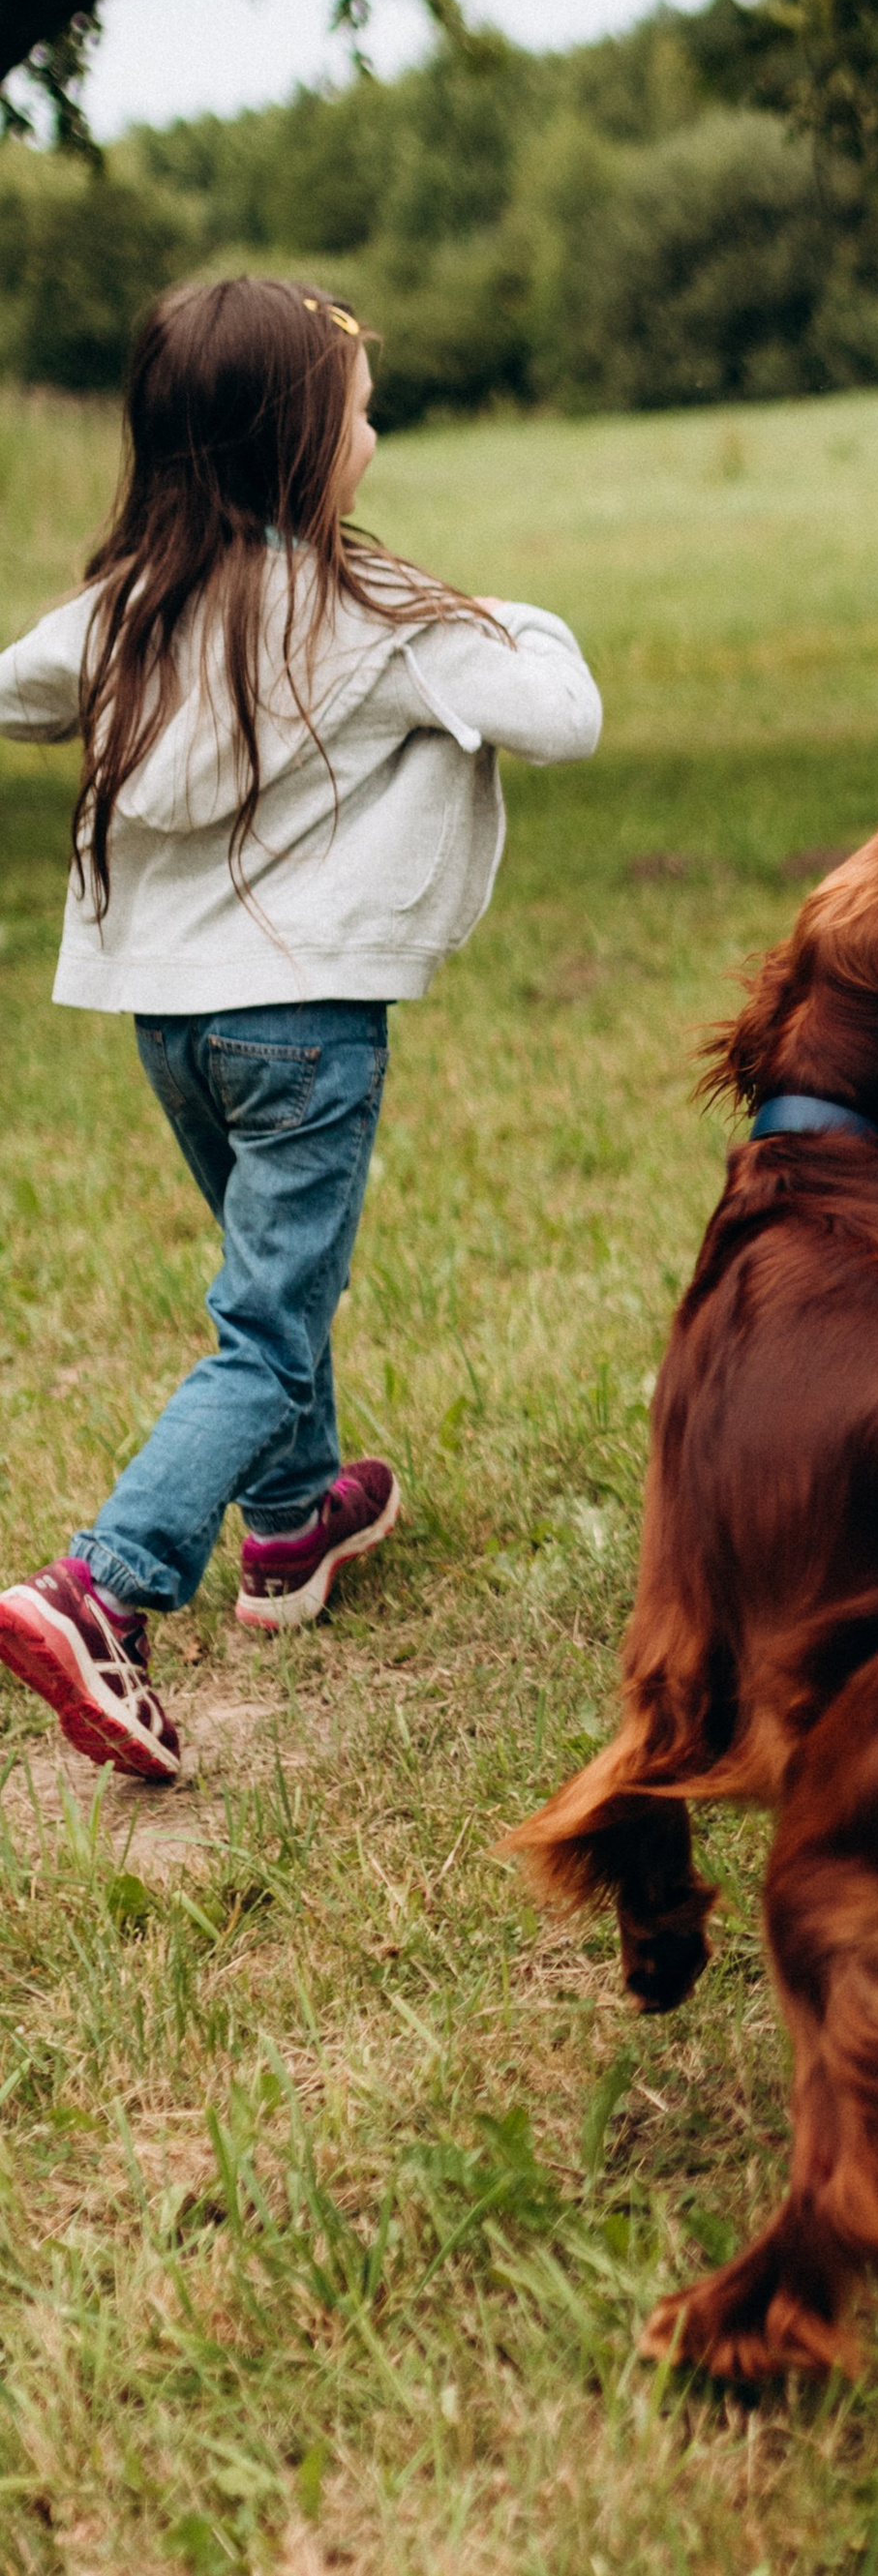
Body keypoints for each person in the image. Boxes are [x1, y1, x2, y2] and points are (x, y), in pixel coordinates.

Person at [0, 277, 601, 1783]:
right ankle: (104, 1585)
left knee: (275, 1277)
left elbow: (15, 690)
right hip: (305, 1030)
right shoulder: (375, 616)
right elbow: (560, 715)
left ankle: (289, 1525)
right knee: (267, 1329)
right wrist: (515, 615)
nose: (372, 433)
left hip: (170, 1033)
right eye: (359, 410)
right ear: (300, 445)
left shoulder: (125, 611)